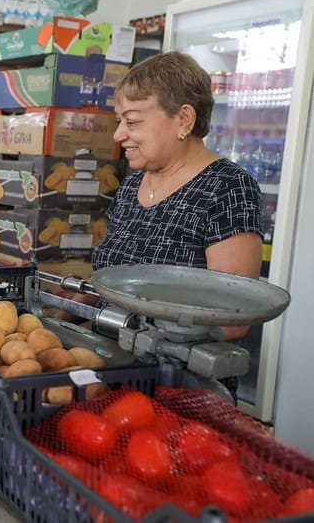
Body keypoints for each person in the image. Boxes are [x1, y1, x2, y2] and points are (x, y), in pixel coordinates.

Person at [91, 51, 264, 342]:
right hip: (110, 362)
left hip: (175, 380)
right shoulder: (133, 184)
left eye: (132, 122)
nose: (118, 135)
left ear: (184, 119)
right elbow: (111, 282)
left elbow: (233, 318)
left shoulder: (228, 188)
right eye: (120, 120)